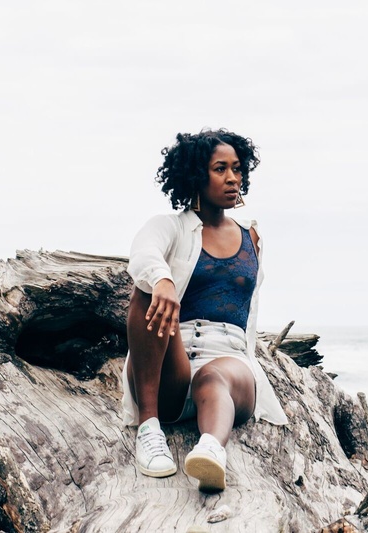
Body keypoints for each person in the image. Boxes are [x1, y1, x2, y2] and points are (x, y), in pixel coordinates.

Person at [121, 129, 288, 492]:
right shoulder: (172, 227)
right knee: (147, 290)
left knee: (213, 377)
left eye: (238, 169)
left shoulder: (251, 237)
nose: (233, 178)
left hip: (230, 363)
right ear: (197, 175)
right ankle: (149, 429)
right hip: (172, 365)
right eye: (220, 169)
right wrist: (163, 280)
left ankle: (211, 451)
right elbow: (144, 251)